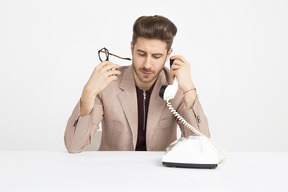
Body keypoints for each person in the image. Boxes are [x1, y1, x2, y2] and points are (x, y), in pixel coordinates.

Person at [64, 15, 211, 153]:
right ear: (132, 48)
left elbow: (202, 149)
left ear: (168, 55)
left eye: (156, 56)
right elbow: (73, 146)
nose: (147, 64)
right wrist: (88, 93)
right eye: (141, 54)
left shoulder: (176, 87)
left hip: (161, 174)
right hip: (113, 172)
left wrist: (189, 91)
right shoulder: (108, 84)